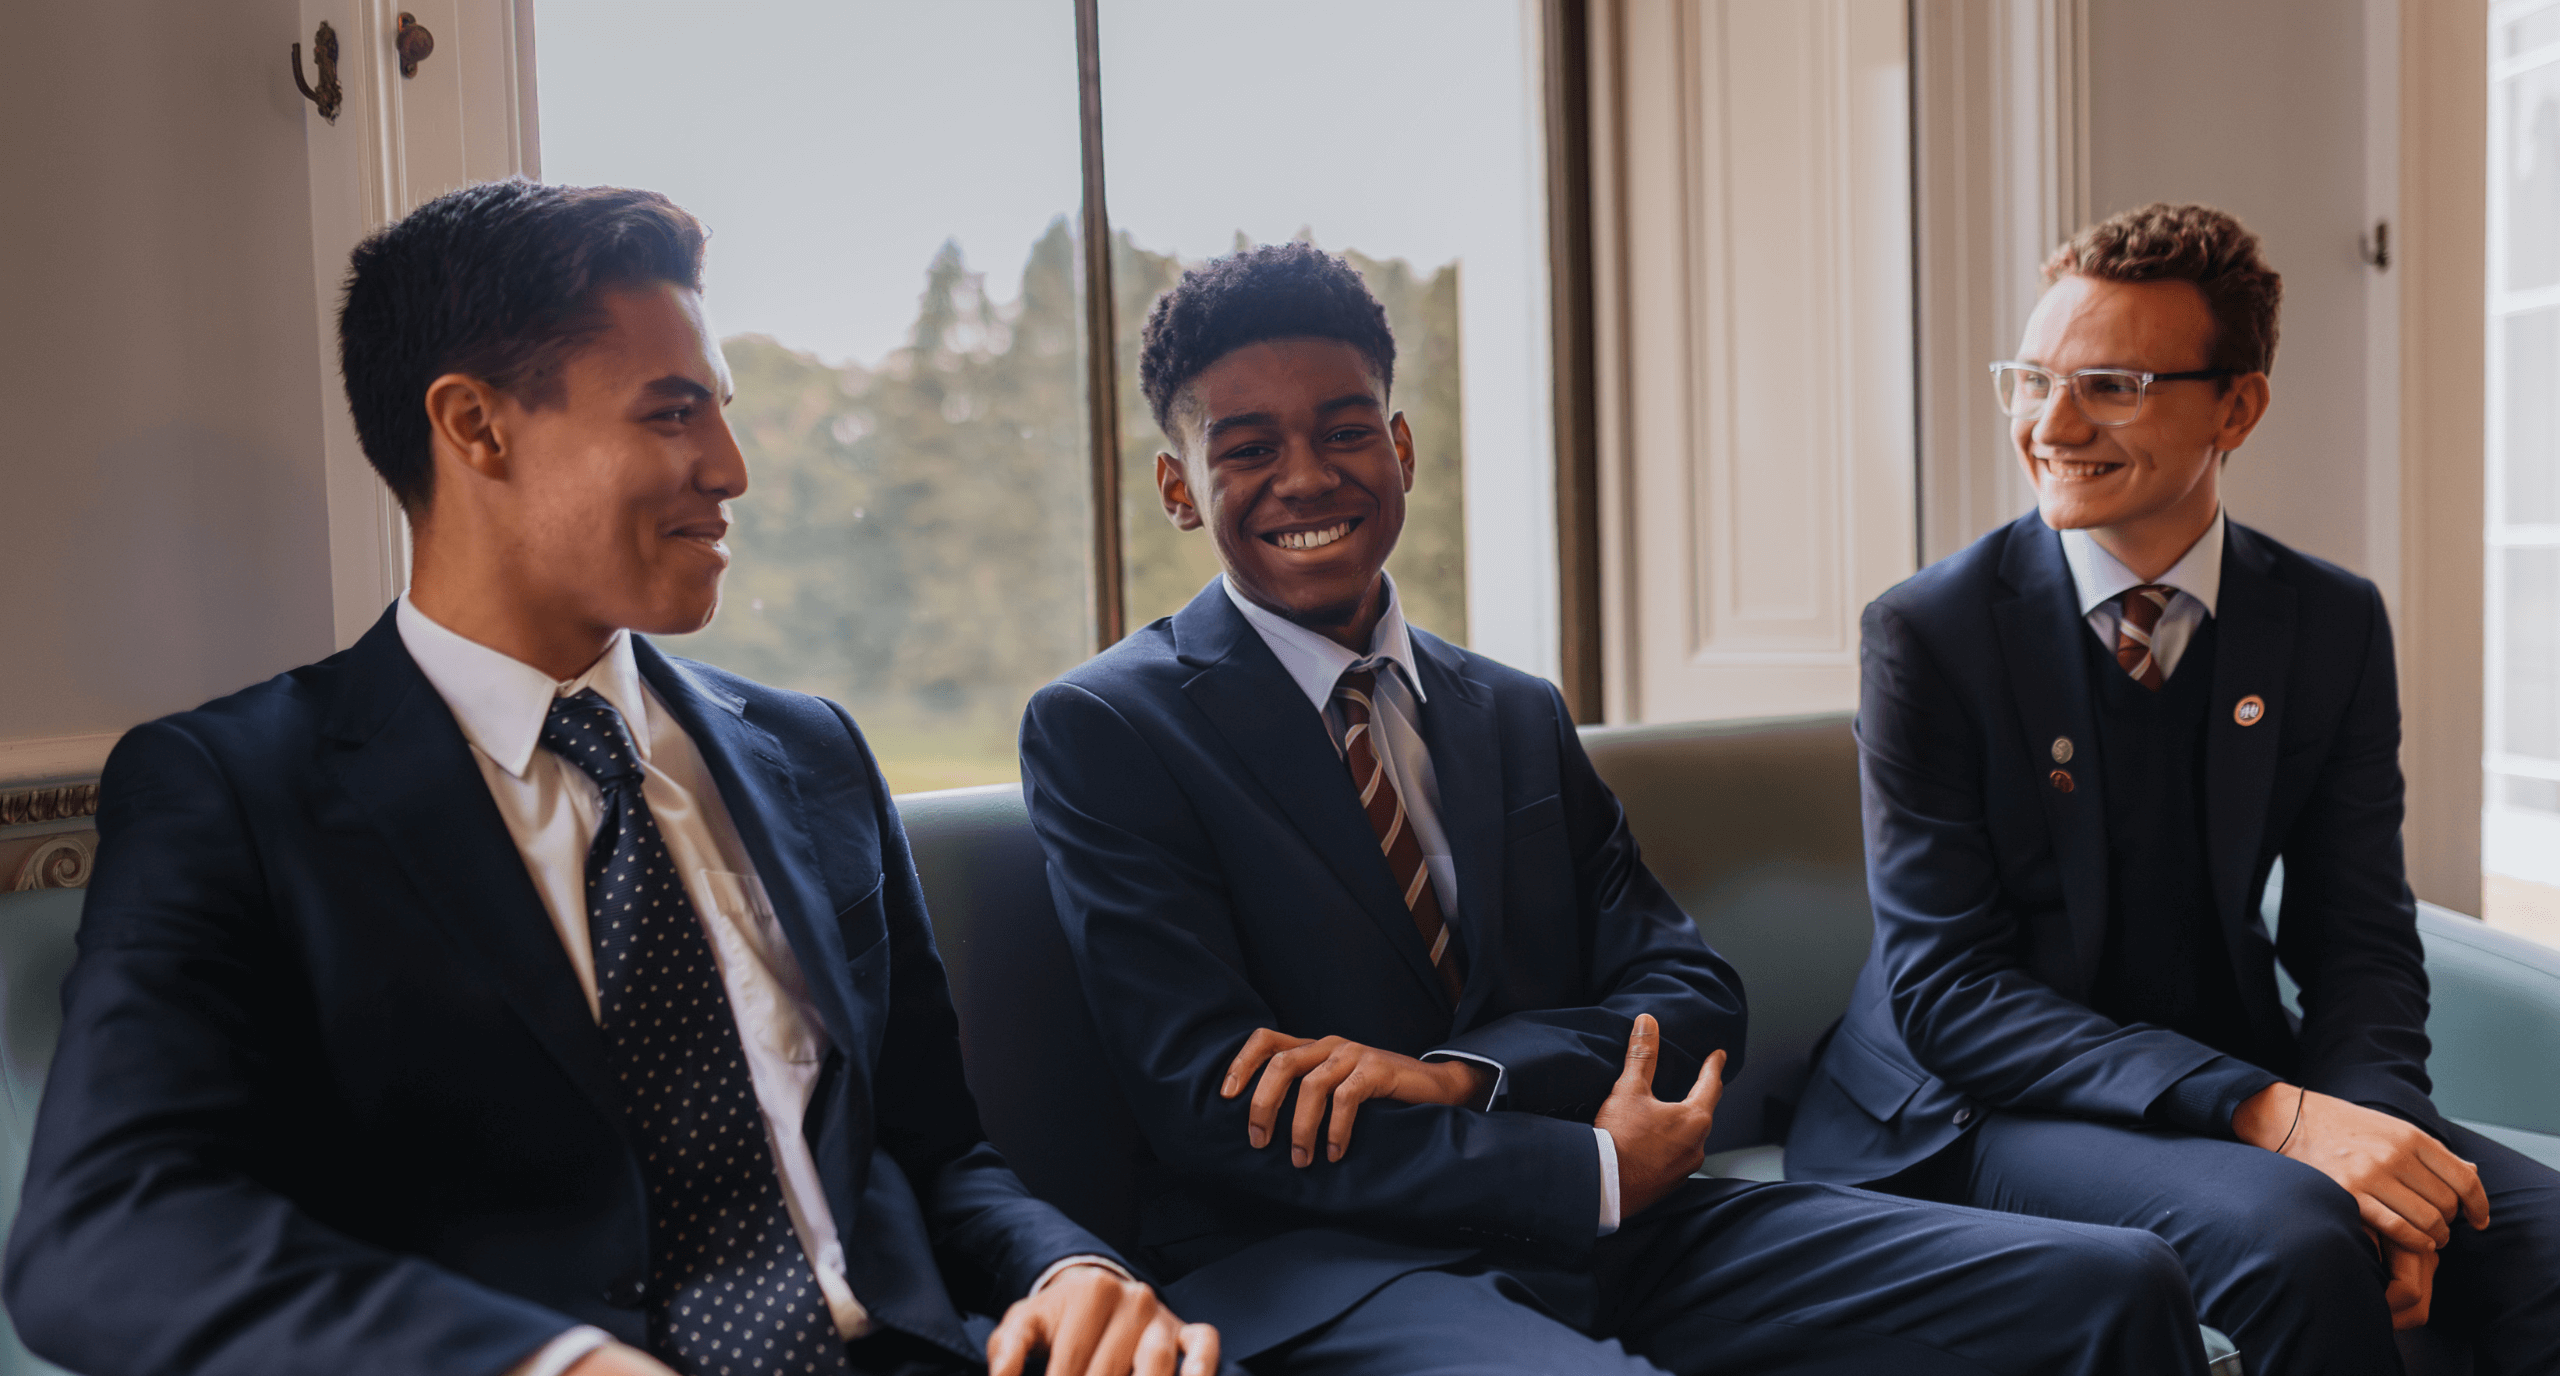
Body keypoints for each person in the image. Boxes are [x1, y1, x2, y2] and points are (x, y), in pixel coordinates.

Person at [1, 179, 1218, 1376]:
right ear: (475, 426)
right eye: (674, 411)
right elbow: (105, 1235)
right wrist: (551, 1363)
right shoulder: (230, 790)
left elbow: (938, 1156)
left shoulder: (815, 754)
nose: (733, 467)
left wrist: (1071, 1274)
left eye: (721, 410)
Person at [1016, 241, 2217, 1375]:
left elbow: (1690, 997)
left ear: (1403, 448)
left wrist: (1462, 1073)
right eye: (1247, 450)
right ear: (1179, 486)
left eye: (1344, 432)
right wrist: (1580, 1167)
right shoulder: (1107, 729)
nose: (1306, 478)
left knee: (2119, 1280)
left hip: (1623, 1225)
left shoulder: (1512, 711)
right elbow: (1219, 1108)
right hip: (1329, 1268)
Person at [1784, 202, 2560, 1373]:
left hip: (2225, 1067)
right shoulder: (1928, 631)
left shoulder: (2328, 620)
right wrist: (2273, 1112)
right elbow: (1947, 992)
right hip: (1969, 1105)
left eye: (2110, 384)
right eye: (2031, 379)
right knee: (2300, 1236)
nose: (2049, 424)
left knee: (2542, 1237)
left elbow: (2356, 933)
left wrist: (2381, 1132)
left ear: (2235, 406)